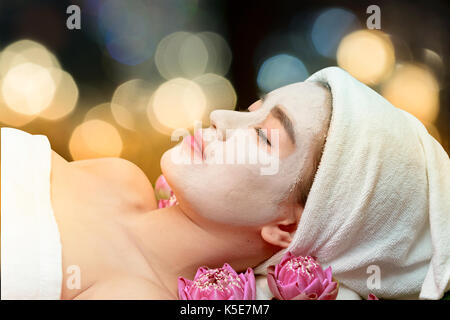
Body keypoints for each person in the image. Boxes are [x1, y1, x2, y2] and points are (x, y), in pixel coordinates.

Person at [2, 67, 448, 300]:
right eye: (254, 106)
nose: (222, 118)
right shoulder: (119, 178)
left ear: (288, 229)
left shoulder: (132, 293)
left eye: (263, 135)